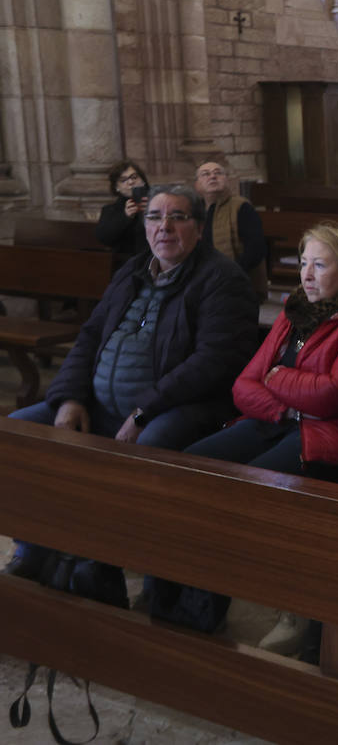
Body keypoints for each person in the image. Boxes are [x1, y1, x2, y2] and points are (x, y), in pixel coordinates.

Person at [3, 185, 259, 597]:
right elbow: (89, 338)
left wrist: (143, 412)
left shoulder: (222, 279)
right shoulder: (132, 271)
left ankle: (101, 563)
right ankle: (33, 547)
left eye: (177, 217)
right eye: (155, 217)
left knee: (147, 450)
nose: (165, 227)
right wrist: (69, 398)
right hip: (101, 406)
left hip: (175, 410)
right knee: (18, 431)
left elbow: (213, 362)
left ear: (198, 226)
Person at [184, 220, 338, 477]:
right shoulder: (294, 313)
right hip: (275, 420)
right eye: (304, 263)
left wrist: (276, 376)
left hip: (328, 435)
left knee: (248, 482)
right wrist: (287, 409)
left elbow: (333, 395)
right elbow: (243, 386)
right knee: (191, 463)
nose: (306, 275)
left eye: (319, 265)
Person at [194, 157, 268, 300]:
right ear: (197, 185)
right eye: (206, 174)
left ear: (226, 180)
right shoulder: (195, 211)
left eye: (218, 173)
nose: (213, 176)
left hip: (237, 283)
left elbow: (256, 249)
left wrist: (230, 274)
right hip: (204, 282)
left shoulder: (241, 207)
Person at [95, 159, 150, 263]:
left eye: (134, 177)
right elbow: (104, 238)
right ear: (116, 187)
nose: (131, 182)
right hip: (128, 265)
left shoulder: (158, 201)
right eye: (123, 180)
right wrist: (125, 217)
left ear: (143, 180)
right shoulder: (111, 210)